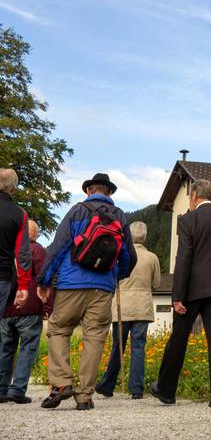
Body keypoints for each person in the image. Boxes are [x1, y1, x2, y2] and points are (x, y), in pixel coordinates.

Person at [37, 172, 137, 410]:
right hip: (102, 288)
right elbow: (129, 257)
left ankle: (61, 384)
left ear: (89, 190)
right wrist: (114, 275)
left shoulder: (77, 211)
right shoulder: (120, 216)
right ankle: (84, 396)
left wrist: (44, 281)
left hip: (71, 284)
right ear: (109, 192)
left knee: (59, 329)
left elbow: (58, 247)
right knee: (94, 338)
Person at [151, 179, 211, 408]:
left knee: (179, 338)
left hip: (192, 291)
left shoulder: (188, 220)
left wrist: (177, 295)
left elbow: (184, 259)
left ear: (193, 196)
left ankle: (166, 390)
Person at [96, 221, 161, 399]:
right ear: (145, 237)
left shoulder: (120, 254)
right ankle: (137, 390)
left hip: (122, 306)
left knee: (118, 346)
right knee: (138, 347)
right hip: (143, 307)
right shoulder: (152, 257)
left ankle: (107, 385)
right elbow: (156, 284)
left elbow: (112, 277)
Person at [0, 219, 52, 404]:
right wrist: (48, 307)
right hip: (29, 307)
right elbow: (44, 279)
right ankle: (17, 389)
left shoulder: (7, 250)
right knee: (28, 348)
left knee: (5, 348)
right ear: (35, 234)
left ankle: (1, 389)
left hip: (6, 307)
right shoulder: (37, 250)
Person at [0, 169, 31, 326]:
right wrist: (23, 285)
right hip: (2, 277)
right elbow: (22, 254)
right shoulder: (19, 214)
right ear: (12, 188)